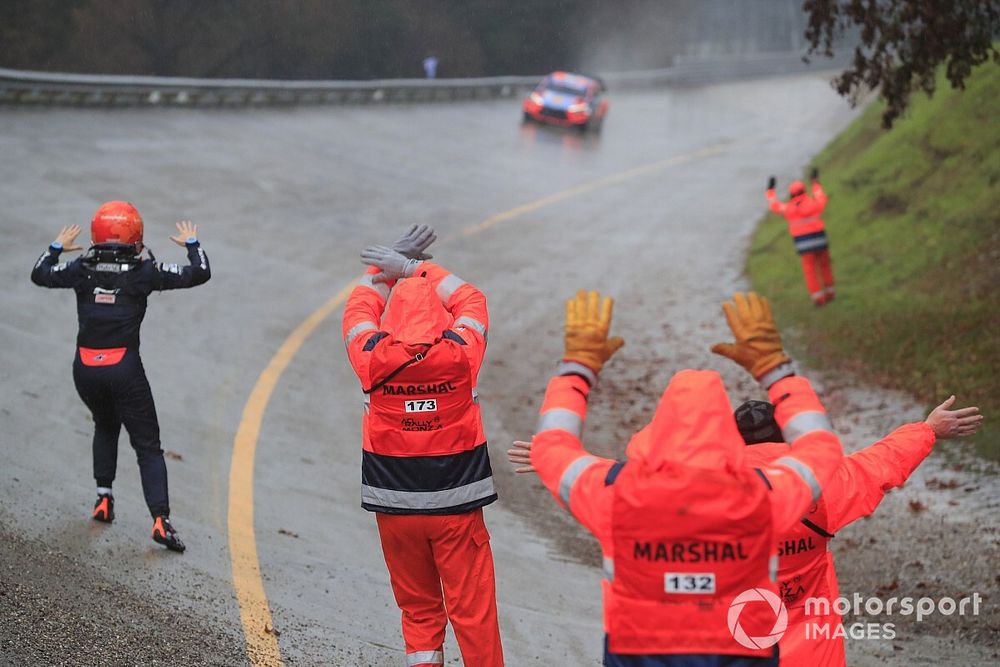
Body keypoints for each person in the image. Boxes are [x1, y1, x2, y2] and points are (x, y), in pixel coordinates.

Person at [517, 290, 844, 666]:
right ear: (727, 431)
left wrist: (578, 368)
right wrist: (776, 370)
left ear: (658, 431)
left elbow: (551, 445)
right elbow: (821, 448)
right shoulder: (762, 497)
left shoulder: (616, 494)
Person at [342, 225, 503, 667]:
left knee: (418, 610)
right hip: (458, 509)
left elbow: (358, 309)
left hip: (395, 509)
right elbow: (472, 300)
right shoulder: (461, 353)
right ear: (439, 318)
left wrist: (383, 267)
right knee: (474, 613)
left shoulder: (371, 355)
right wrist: (414, 268)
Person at [733, 396, 982, 666]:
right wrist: (928, 429)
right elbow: (878, 464)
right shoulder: (820, 484)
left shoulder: (707, 495)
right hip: (812, 646)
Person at [30, 201, 211, 552]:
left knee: (105, 424)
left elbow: (40, 274)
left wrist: (55, 247)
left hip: (85, 368)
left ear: (96, 233)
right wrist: (192, 244)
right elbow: (199, 272)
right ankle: (161, 521)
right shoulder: (144, 272)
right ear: (136, 235)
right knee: (147, 446)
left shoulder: (82, 268)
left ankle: (103, 498)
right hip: (124, 368)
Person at [766, 168, 835, 306]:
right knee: (825, 266)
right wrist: (815, 182)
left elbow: (774, 205)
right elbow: (820, 195)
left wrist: (770, 189)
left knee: (810, 271)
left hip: (803, 244)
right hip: (820, 239)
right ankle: (830, 293)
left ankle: (818, 298)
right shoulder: (814, 203)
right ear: (804, 190)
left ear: (791, 194)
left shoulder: (788, 209)